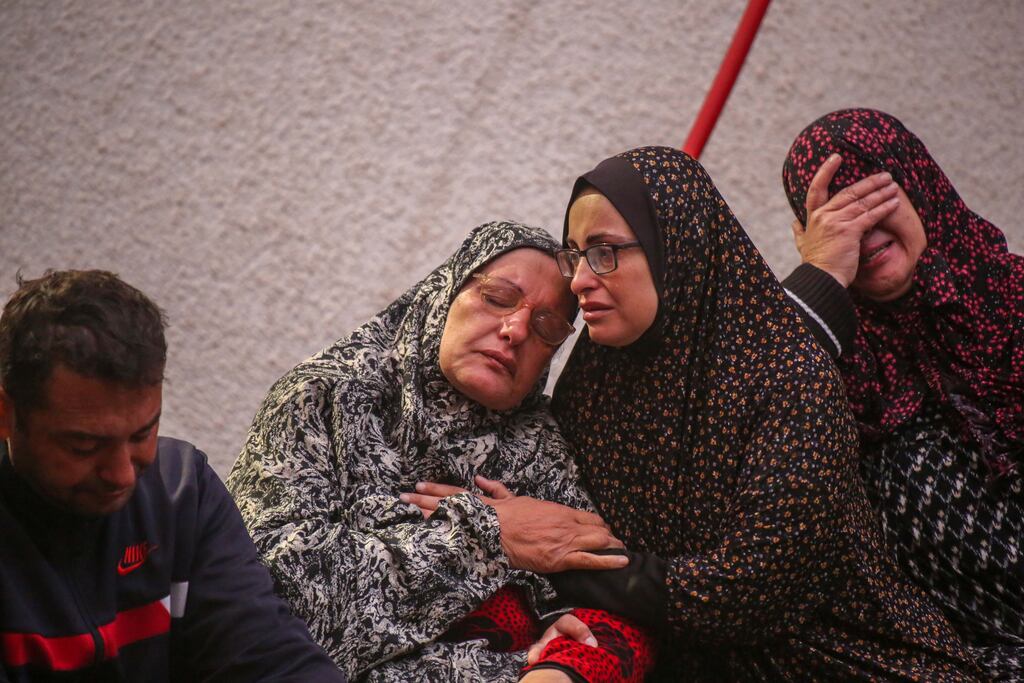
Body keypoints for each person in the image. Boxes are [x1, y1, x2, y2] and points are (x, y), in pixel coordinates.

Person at [537, 146, 979, 680]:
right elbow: (559, 521)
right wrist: (493, 526)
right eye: (574, 255)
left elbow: (743, 593)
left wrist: (551, 558)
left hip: (846, 662)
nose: (580, 279)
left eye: (605, 251)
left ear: (679, 250)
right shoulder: (590, 387)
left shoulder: (787, 378)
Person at [227, 221, 655, 682]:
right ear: (444, 294)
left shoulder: (537, 442)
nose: (514, 330)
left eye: (546, 326)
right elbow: (267, 598)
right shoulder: (326, 398)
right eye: (497, 298)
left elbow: (603, 590)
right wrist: (487, 536)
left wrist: (560, 637)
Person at [0, 270, 346, 682]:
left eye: (142, 434)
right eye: (84, 446)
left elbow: (271, 659)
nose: (122, 474)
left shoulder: (182, 491)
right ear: (6, 414)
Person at [780, 108, 1023, 680]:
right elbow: (745, 424)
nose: (862, 230)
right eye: (837, 216)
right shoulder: (828, 362)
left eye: (872, 196)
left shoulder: (1011, 301)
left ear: (918, 184)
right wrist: (818, 279)